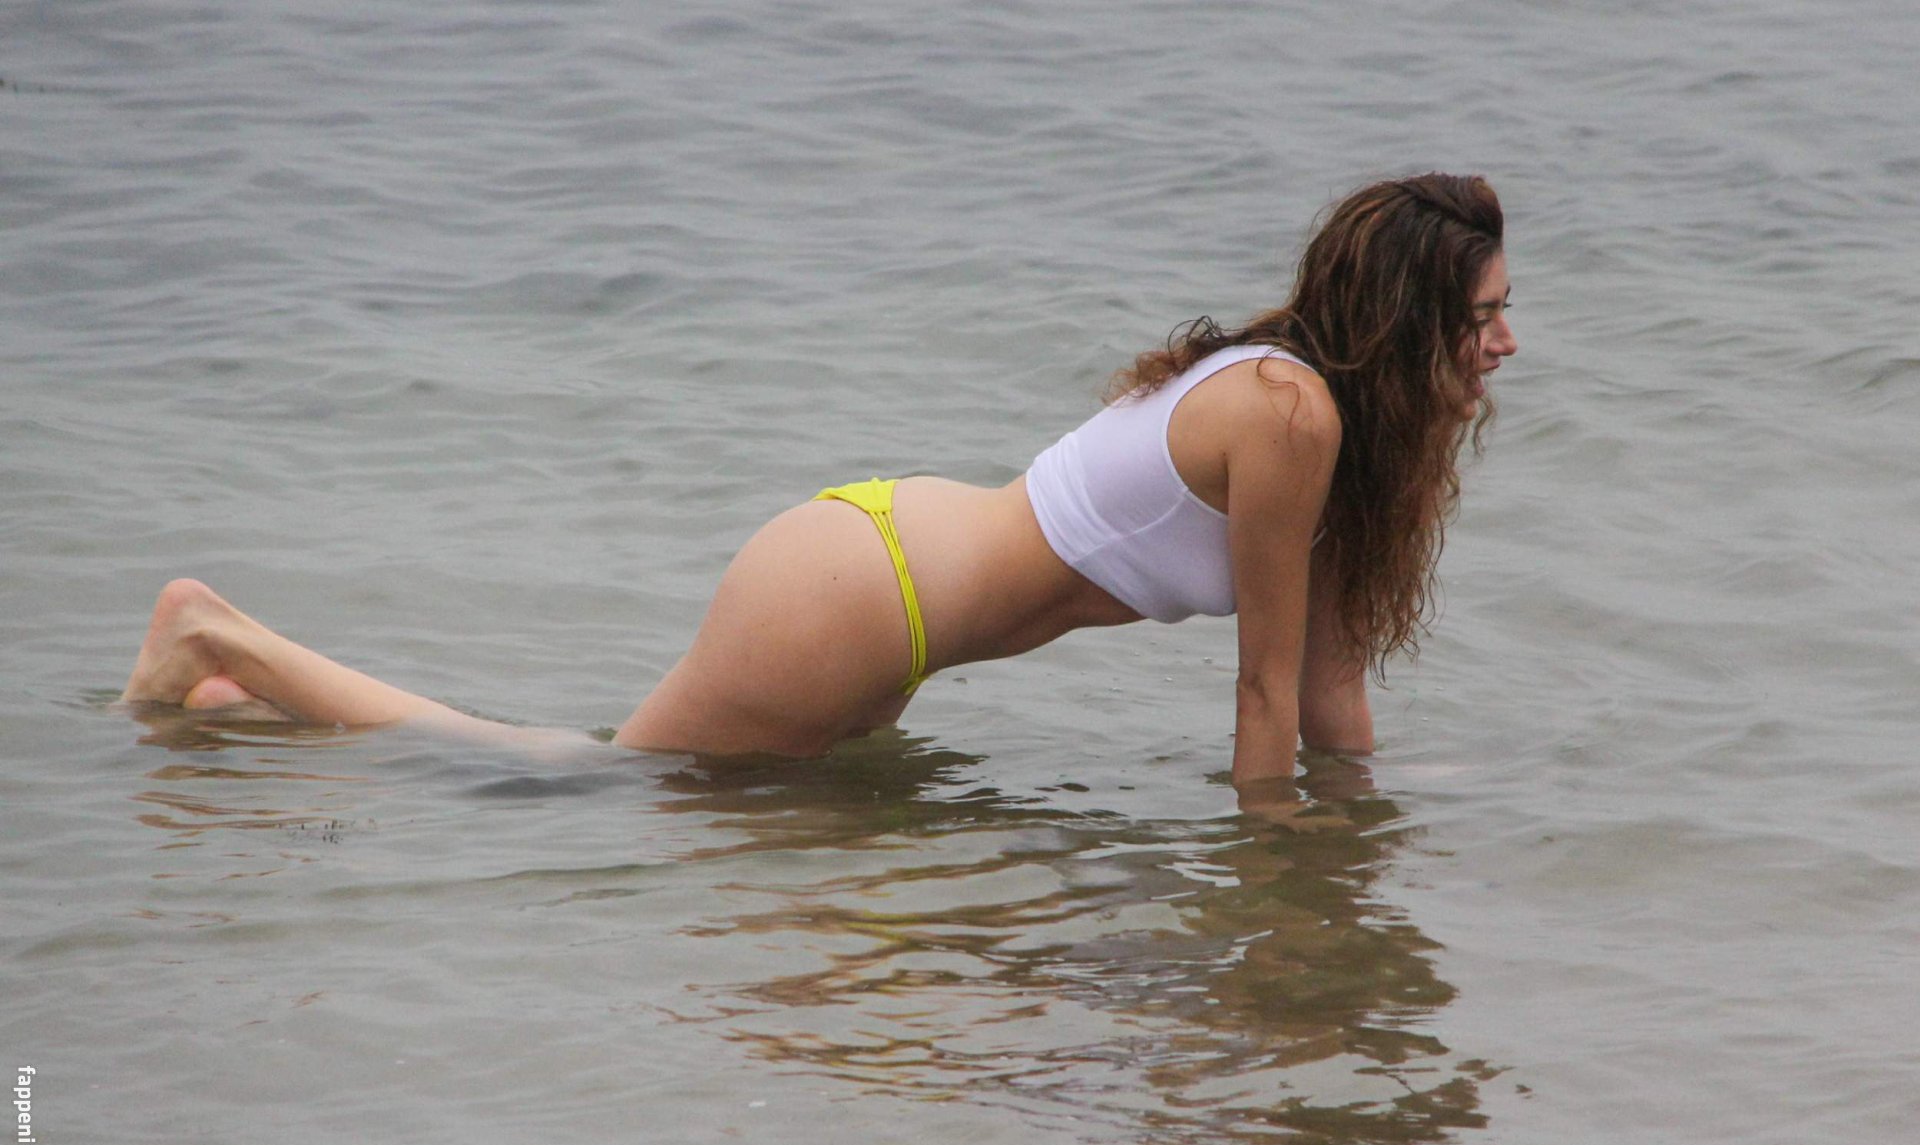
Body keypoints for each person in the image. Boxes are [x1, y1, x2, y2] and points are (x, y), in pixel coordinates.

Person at [122, 173, 1517, 810]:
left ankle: (232, 714)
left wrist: (1380, 821)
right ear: (1408, 320)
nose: (1508, 343)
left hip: (885, 604)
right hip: (860, 591)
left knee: (630, 790)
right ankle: (214, 631)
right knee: (573, 790)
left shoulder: (1324, 431)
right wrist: (1276, 905)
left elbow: (1327, 691)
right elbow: (1260, 696)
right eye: (1484, 316)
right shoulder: (1288, 411)